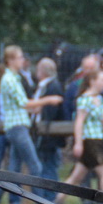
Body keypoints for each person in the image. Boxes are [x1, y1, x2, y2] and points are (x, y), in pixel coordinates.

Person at [0, 45, 61, 204]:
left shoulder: (13, 78)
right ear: (10, 60)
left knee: (12, 171)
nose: (22, 60)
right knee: (35, 166)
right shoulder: (10, 80)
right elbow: (24, 103)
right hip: (17, 128)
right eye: (19, 57)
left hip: (16, 127)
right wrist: (48, 100)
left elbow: (21, 105)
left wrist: (36, 106)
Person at [68, 69, 103, 204]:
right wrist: (78, 143)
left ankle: (58, 201)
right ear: (92, 81)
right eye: (101, 80)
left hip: (98, 141)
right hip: (89, 141)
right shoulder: (84, 99)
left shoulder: (100, 99)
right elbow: (79, 122)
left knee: (77, 176)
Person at [29, 56, 66, 186]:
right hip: (42, 132)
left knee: (48, 165)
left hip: (48, 134)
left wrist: (40, 109)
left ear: (42, 71)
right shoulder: (43, 86)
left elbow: (51, 112)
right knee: (44, 164)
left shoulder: (52, 87)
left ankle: (49, 196)